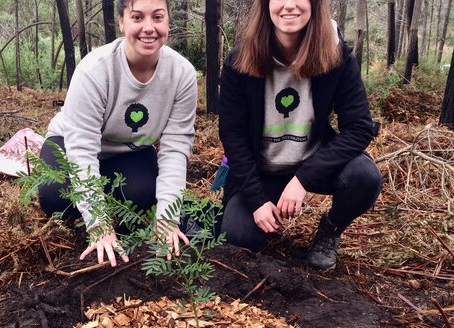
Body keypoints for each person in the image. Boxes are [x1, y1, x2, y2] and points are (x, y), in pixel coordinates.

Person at [218, 0, 382, 270]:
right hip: (263, 170)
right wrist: (258, 201)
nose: (289, 6)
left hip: (312, 164)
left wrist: (303, 178)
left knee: (364, 177)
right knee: (238, 237)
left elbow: (359, 127)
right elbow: (233, 136)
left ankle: (329, 231)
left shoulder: (336, 56)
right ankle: (268, 215)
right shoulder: (239, 60)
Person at [38, 0, 197, 267]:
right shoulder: (95, 70)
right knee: (56, 198)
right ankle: (90, 200)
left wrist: (167, 218)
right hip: (69, 144)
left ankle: (103, 193)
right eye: (137, 17)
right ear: (122, 21)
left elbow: (175, 148)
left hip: (130, 151)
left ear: (168, 21)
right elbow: (82, 149)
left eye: (158, 17)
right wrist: (99, 224)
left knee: (146, 197)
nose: (149, 28)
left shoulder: (182, 74)